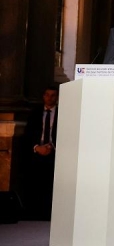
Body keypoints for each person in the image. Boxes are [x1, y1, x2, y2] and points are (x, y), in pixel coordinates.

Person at [21, 86, 59, 220]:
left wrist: (52, 147)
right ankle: (33, 212)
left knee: (51, 185)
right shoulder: (34, 113)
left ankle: (50, 213)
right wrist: (37, 147)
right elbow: (28, 134)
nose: (50, 98)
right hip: (36, 153)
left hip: (55, 154)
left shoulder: (63, 113)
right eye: (47, 95)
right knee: (34, 182)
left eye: (53, 95)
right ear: (43, 96)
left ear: (57, 97)